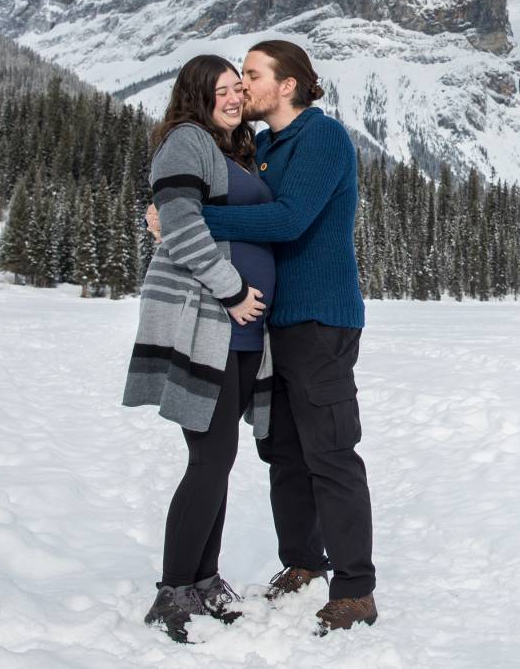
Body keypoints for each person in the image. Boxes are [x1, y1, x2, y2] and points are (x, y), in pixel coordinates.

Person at [148, 38, 378, 635]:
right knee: (283, 449)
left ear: (289, 85)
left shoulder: (322, 139)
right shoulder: (267, 144)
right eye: (236, 78)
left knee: (329, 449)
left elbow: (288, 220)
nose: (242, 86)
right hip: (273, 325)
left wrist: (186, 218)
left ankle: (355, 588)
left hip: (321, 319)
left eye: (251, 75)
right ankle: (302, 562)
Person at [123, 54, 275, 643]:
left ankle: (204, 578)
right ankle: (172, 590)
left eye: (239, 88)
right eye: (222, 91)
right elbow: (181, 225)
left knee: (219, 458)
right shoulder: (187, 141)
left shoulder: (231, 149)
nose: (235, 98)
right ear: (196, 95)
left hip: (240, 331)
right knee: (208, 458)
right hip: (208, 320)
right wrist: (235, 291)